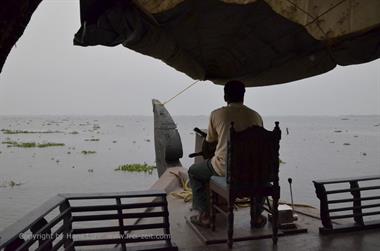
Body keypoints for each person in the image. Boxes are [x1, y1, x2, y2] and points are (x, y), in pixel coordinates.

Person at [188, 80, 265, 227]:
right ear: (243, 96)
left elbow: (210, 141)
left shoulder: (217, 114)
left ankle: (204, 215)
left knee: (193, 172)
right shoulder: (256, 116)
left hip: (225, 169)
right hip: (253, 172)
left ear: (225, 96)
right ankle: (257, 215)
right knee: (258, 173)